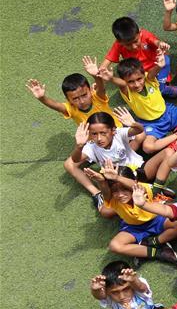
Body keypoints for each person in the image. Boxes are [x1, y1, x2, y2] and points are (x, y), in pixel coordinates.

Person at [27, 68, 127, 210]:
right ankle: (96, 193)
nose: (81, 101)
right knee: (69, 165)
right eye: (75, 98)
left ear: (89, 91)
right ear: (68, 100)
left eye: (84, 95)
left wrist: (95, 75)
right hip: (94, 144)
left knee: (116, 168)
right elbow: (55, 105)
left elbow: (101, 87)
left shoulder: (97, 97)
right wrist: (42, 98)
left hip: (115, 136)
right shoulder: (70, 108)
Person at [95, 53, 177, 155]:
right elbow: (122, 84)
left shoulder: (149, 79)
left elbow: (152, 74)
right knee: (148, 147)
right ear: (125, 82)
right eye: (131, 81)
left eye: (139, 79)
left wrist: (160, 66)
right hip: (152, 125)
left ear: (143, 75)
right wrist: (111, 79)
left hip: (169, 113)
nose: (137, 84)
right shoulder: (126, 91)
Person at [84, 160, 177, 268]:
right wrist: (101, 181)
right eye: (115, 191)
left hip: (157, 220)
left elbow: (134, 185)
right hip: (133, 228)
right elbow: (106, 194)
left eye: (124, 189)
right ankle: (158, 252)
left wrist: (116, 178)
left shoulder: (141, 188)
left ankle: (151, 242)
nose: (120, 195)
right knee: (115, 245)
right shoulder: (114, 200)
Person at [71, 108, 166, 183]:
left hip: (139, 168)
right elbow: (76, 159)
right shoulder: (91, 146)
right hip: (119, 180)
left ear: (113, 131)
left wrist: (133, 124)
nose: (99, 138)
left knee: (167, 152)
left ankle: (155, 188)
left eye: (103, 133)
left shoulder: (119, 134)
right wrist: (79, 146)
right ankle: (153, 189)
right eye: (94, 134)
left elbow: (139, 130)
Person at [99, 16, 177, 98]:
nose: (134, 46)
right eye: (128, 44)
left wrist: (161, 44)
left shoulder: (144, 34)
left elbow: (156, 42)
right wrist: (98, 78)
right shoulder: (118, 45)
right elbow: (105, 63)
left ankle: (160, 87)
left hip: (155, 68)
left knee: (166, 59)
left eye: (135, 41)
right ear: (120, 42)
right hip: (138, 74)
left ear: (140, 33)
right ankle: (161, 89)